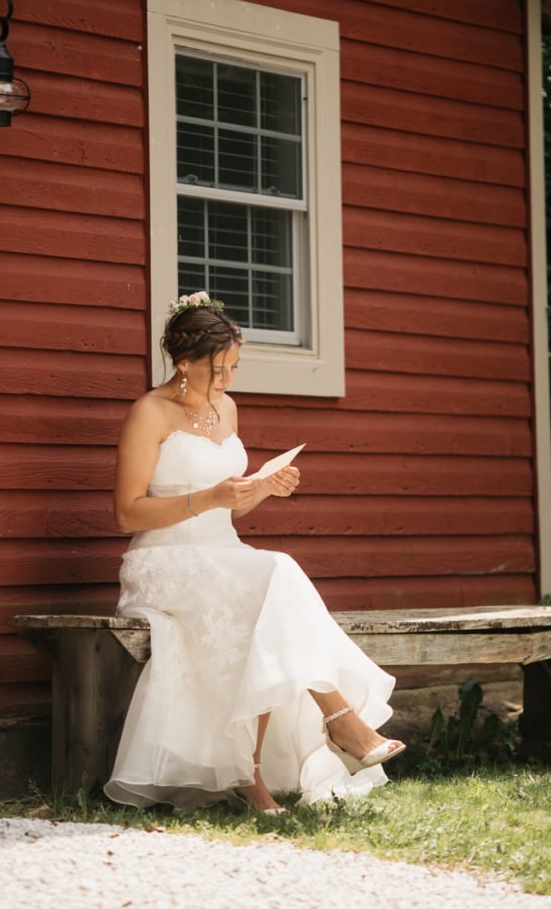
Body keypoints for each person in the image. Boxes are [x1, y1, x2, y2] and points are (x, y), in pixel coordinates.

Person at [104, 292, 404, 814]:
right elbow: (128, 514)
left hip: (224, 556)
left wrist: (263, 488)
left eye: (234, 368)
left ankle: (253, 776)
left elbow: (228, 511)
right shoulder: (148, 413)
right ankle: (340, 720)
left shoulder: (228, 408)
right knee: (276, 573)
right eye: (217, 370)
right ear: (184, 363)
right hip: (163, 562)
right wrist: (210, 497)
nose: (226, 381)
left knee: (262, 608)